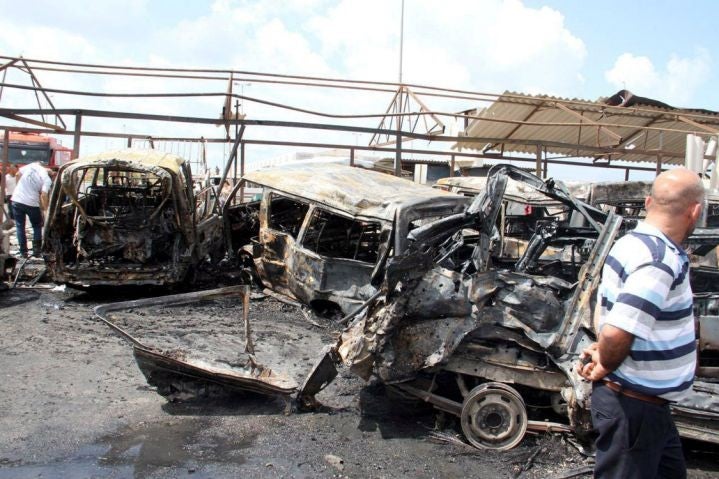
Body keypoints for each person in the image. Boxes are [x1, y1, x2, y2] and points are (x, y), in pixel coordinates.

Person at [577, 167, 704, 478]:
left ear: (648, 202)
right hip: (634, 407)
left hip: (650, 407)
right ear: (696, 212)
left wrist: (604, 349)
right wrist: (607, 360)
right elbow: (620, 328)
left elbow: (605, 308)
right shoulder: (658, 259)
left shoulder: (630, 242)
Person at [11, 162, 53, 257]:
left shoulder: (33, 165)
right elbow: (44, 195)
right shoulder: (47, 180)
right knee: (37, 226)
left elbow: (17, 174)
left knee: (20, 226)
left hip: (17, 199)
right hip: (32, 204)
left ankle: (23, 252)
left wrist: (18, 188)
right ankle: (36, 251)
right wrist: (46, 210)